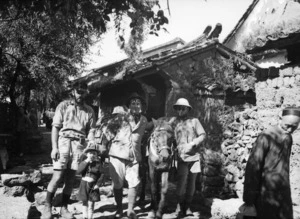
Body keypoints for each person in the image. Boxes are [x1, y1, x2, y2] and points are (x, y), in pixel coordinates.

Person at [43, 81, 96, 219]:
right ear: (73, 91)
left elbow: (91, 130)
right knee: (57, 176)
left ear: (86, 92)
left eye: (83, 92)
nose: (80, 94)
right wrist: (54, 147)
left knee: (71, 179)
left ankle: (64, 208)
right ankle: (47, 207)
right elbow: (55, 127)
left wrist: (90, 145)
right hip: (64, 143)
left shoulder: (89, 110)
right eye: (78, 91)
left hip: (79, 145)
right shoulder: (63, 106)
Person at [243, 107, 300, 219]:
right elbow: (253, 167)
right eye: (287, 125)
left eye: (294, 127)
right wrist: (249, 199)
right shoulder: (266, 137)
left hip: (282, 190)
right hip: (265, 191)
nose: (289, 130)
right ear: (280, 119)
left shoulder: (288, 137)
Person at [108, 93, 148, 219]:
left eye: (138, 103)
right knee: (118, 184)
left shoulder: (144, 120)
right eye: (133, 103)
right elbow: (108, 131)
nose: (135, 106)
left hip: (134, 156)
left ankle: (130, 210)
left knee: (134, 182)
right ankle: (119, 209)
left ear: (142, 106)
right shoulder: (121, 117)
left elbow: (146, 132)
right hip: (117, 155)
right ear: (129, 106)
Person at [170, 98, 206, 218]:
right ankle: (179, 206)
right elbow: (168, 135)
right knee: (181, 183)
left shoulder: (194, 121)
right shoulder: (173, 122)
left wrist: (193, 143)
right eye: (178, 108)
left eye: (183, 108)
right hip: (181, 158)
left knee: (192, 183)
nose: (180, 110)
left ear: (187, 109)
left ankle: (188, 206)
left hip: (194, 157)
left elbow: (202, 135)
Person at [77, 144, 104, 219]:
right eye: (90, 153)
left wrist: (98, 184)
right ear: (87, 154)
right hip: (84, 184)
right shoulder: (84, 162)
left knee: (91, 203)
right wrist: (86, 162)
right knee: (84, 201)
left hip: (93, 185)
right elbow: (78, 171)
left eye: (94, 153)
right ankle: (84, 216)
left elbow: (101, 174)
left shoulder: (98, 164)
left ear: (96, 155)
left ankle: (90, 217)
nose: (92, 155)